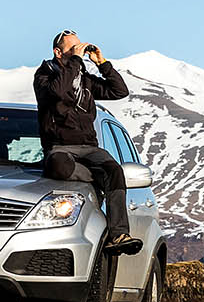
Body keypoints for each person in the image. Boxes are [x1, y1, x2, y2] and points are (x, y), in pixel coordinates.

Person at [33, 30, 142, 257]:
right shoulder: (45, 75)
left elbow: (119, 91)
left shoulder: (84, 79)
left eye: (79, 49)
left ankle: (118, 235)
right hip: (60, 147)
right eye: (73, 49)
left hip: (89, 147)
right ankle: (97, 179)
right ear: (58, 52)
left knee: (113, 170)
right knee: (58, 166)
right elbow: (59, 91)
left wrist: (102, 64)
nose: (78, 53)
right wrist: (75, 60)